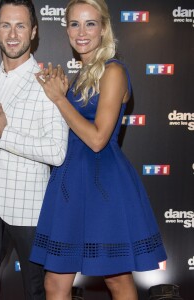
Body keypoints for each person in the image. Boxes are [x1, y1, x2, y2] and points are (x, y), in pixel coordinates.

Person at [30, 0, 167, 299]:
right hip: (70, 183)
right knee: (54, 284)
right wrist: (62, 94)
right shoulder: (82, 74)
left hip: (102, 185)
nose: (81, 32)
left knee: (117, 279)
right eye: (74, 24)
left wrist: (60, 99)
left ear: (103, 28)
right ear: (66, 29)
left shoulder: (113, 71)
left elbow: (97, 139)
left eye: (90, 23)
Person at [0, 0, 69, 299]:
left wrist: (4, 132)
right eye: (5, 25)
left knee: (36, 291)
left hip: (30, 209)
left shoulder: (48, 83)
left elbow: (57, 152)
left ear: (33, 31)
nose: (12, 33)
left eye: (20, 25)